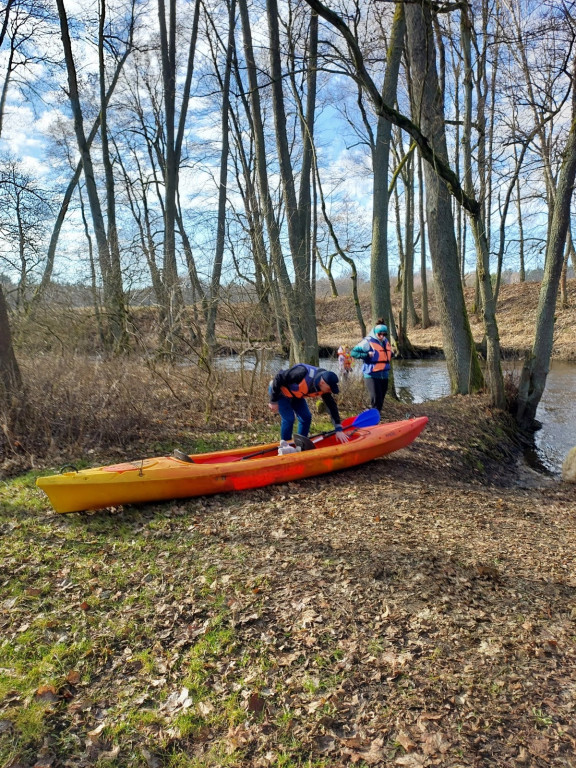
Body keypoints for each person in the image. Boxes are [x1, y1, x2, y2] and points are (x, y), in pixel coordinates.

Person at [268, 364, 349, 444]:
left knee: (306, 417)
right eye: (329, 389)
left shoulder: (324, 386)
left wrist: (338, 428)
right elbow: (279, 378)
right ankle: (285, 446)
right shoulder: (301, 372)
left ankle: (301, 443)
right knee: (289, 418)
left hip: (295, 395)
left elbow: (331, 406)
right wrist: (273, 401)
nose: (330, 391)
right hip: (278, 392)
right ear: (322, 383)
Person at [350, 320, 393, 413]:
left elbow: (385, 354)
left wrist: (391, 354)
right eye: (379, 334)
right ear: (375, 333)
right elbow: (353, 352)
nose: (382, 336)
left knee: (381, 399)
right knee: (375, 398)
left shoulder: (386, 341)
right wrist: (366, 354)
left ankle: (376, 417)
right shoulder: (367, 342)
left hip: (384, 375)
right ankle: (373, 419)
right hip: (371, 375)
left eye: (384, 334)